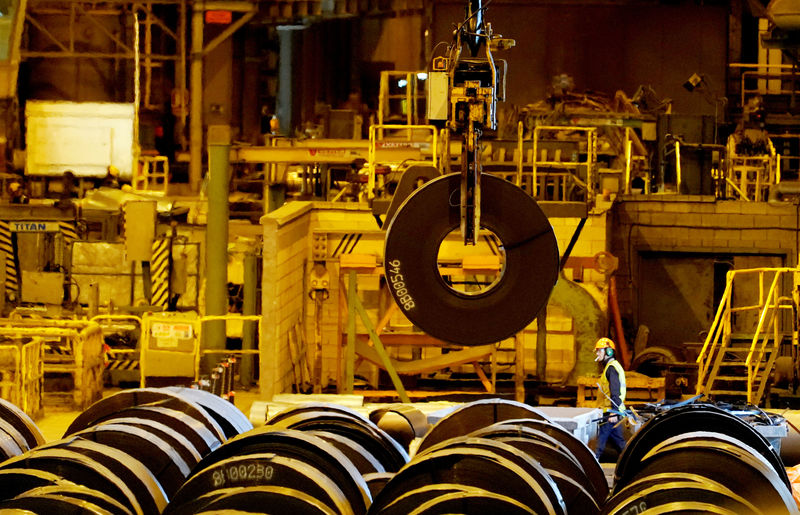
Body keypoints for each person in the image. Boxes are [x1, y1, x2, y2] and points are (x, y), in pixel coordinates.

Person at [594, 337, 627, 461]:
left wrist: (614, 411)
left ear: (608, 352)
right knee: (619, 443)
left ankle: (593, 461)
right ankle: (631, 462)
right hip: (610, 412)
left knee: (600, 443)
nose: (597, 353)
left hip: (610, 413)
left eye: (599, 350)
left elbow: (615, 392)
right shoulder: (611, 367)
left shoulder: (612, 369)